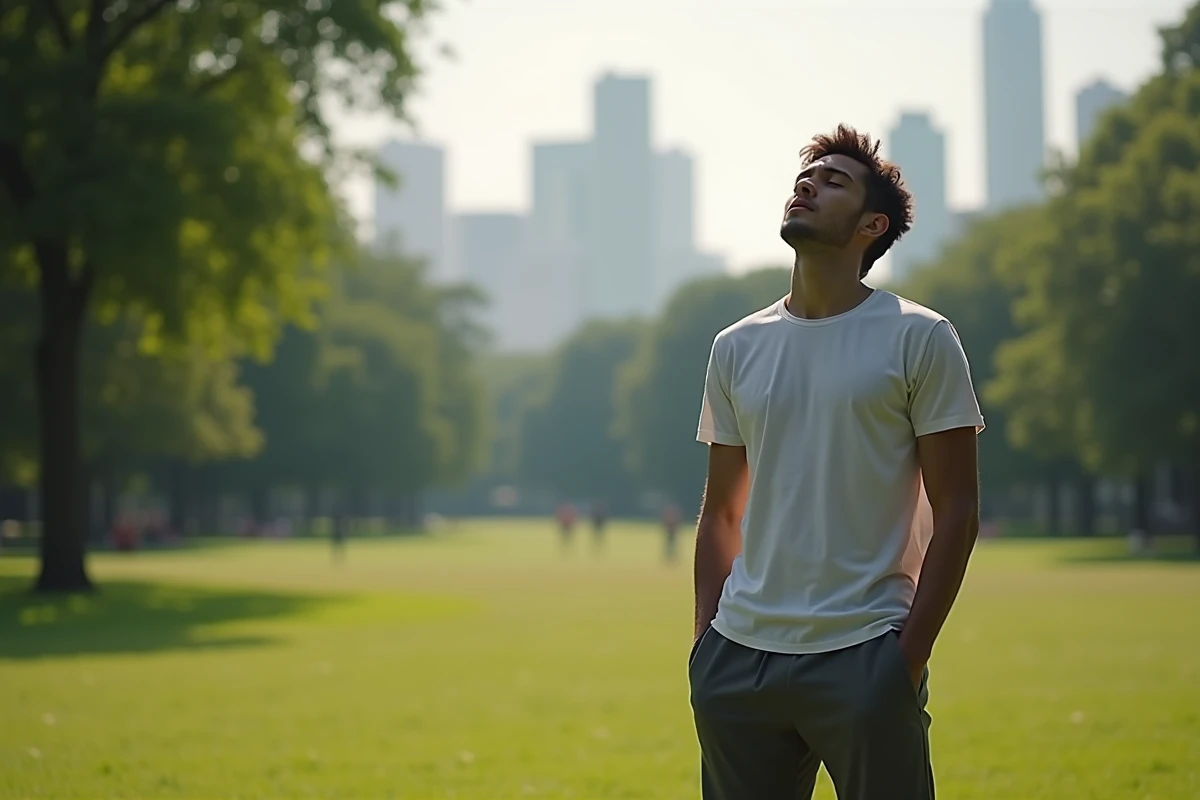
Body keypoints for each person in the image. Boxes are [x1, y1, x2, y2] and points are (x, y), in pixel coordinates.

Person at [688, 125, 984, 800]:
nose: (808, 185)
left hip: (866, 655)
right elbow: (722, 510)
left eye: (833, 181)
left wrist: (906, 660)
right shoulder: (735, 346)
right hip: (738, 661)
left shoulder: (922, 337)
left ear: (871, 225)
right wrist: (706, 645)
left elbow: (958, 509)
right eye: (806, 177)